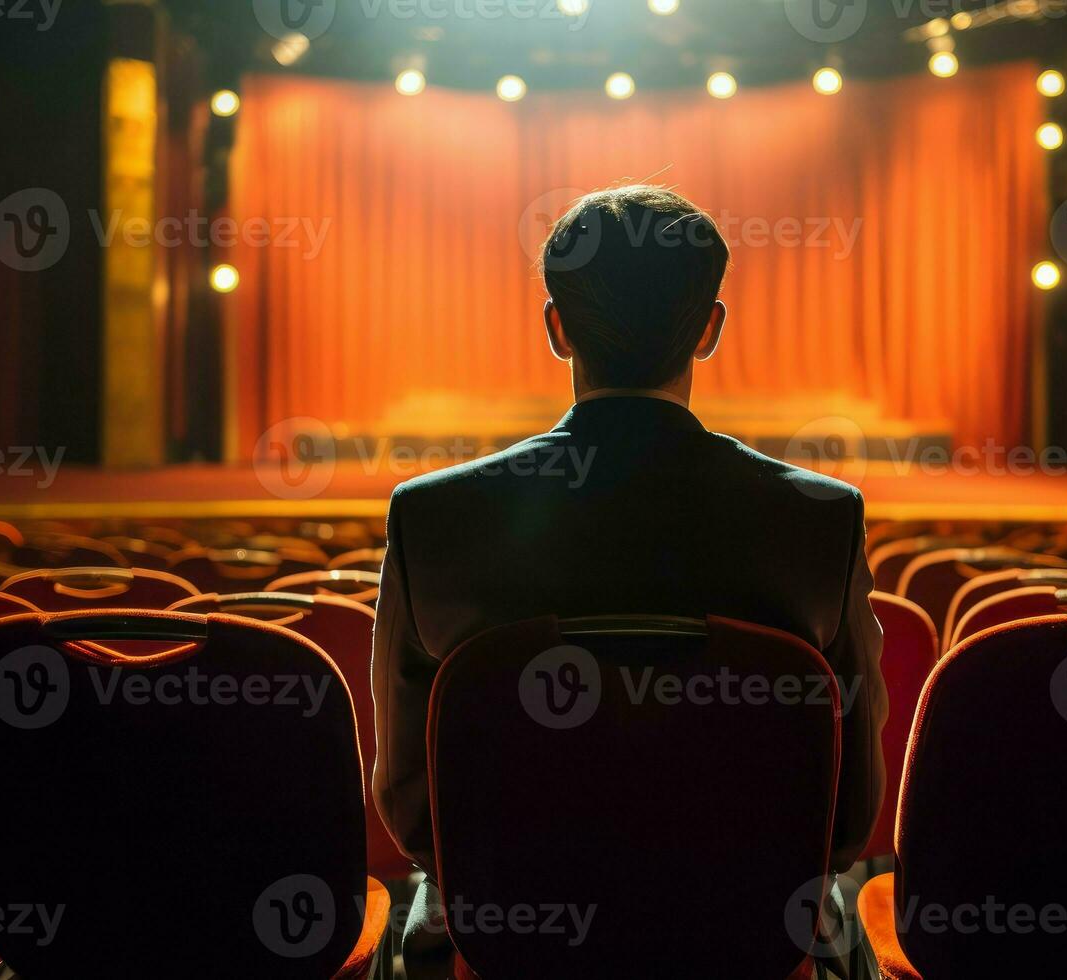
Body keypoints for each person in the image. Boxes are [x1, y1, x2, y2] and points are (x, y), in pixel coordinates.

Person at [371, 184, 886, 976]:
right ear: (710, 332)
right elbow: (846, 814)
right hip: (752, 946)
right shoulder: (819, 520)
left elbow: (413, 804)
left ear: (556, 329)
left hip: (506, 950)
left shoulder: (432, 518)